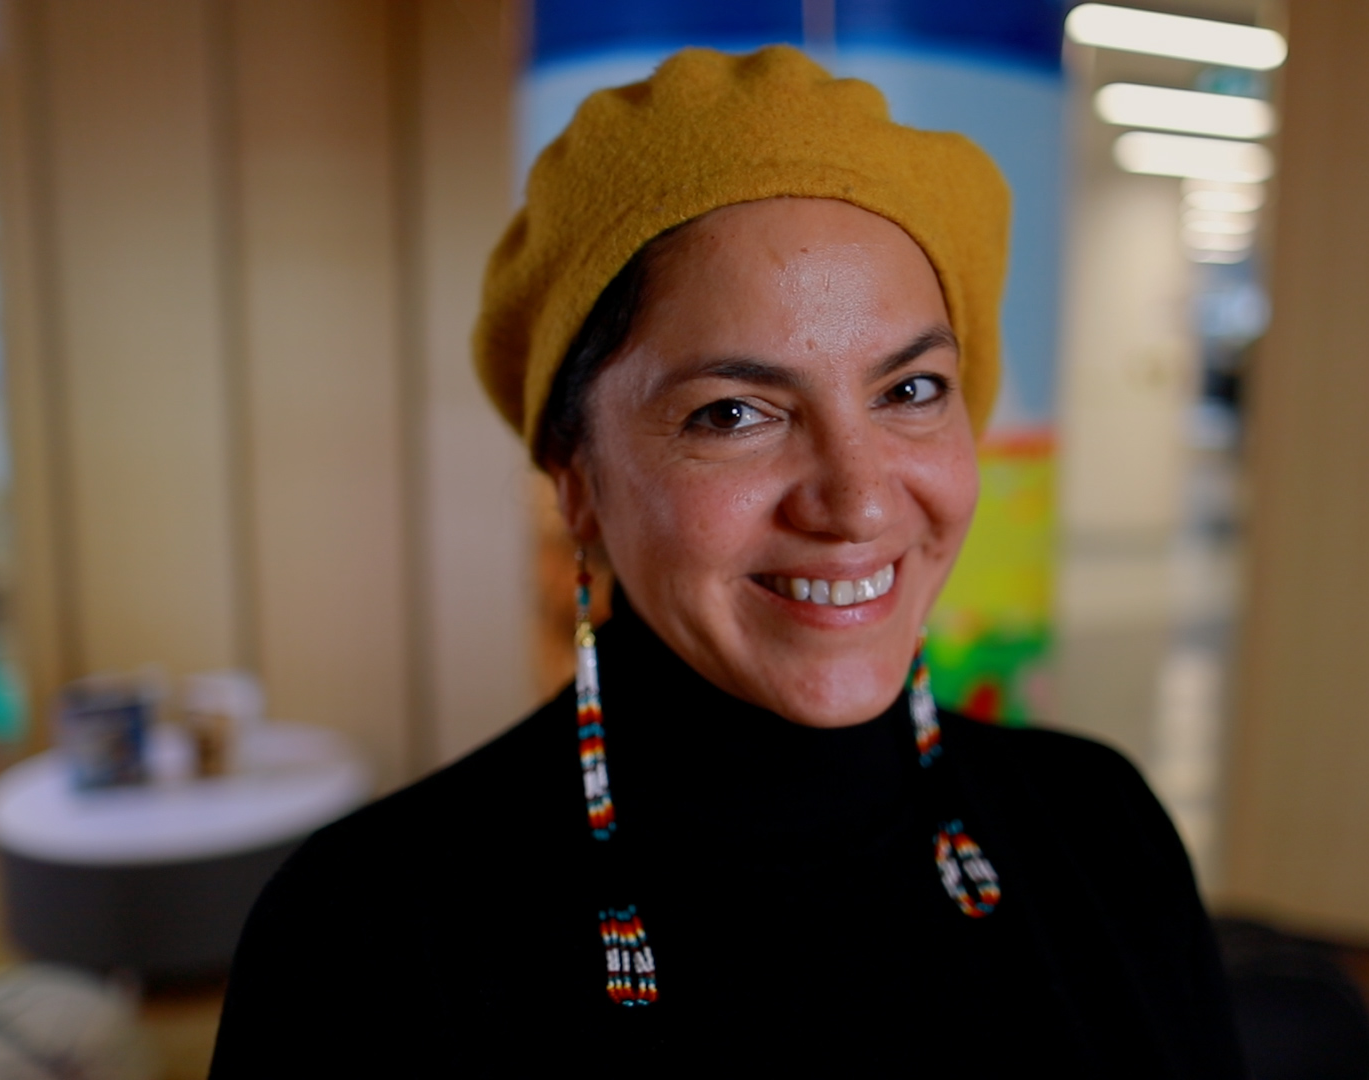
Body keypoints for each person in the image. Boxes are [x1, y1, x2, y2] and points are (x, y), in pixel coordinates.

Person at [210, 46, 1244, 1075]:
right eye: (735, 413)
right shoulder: (369, 939)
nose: (860, 500)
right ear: (577, 480)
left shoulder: (1100, 829)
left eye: (911, 390)